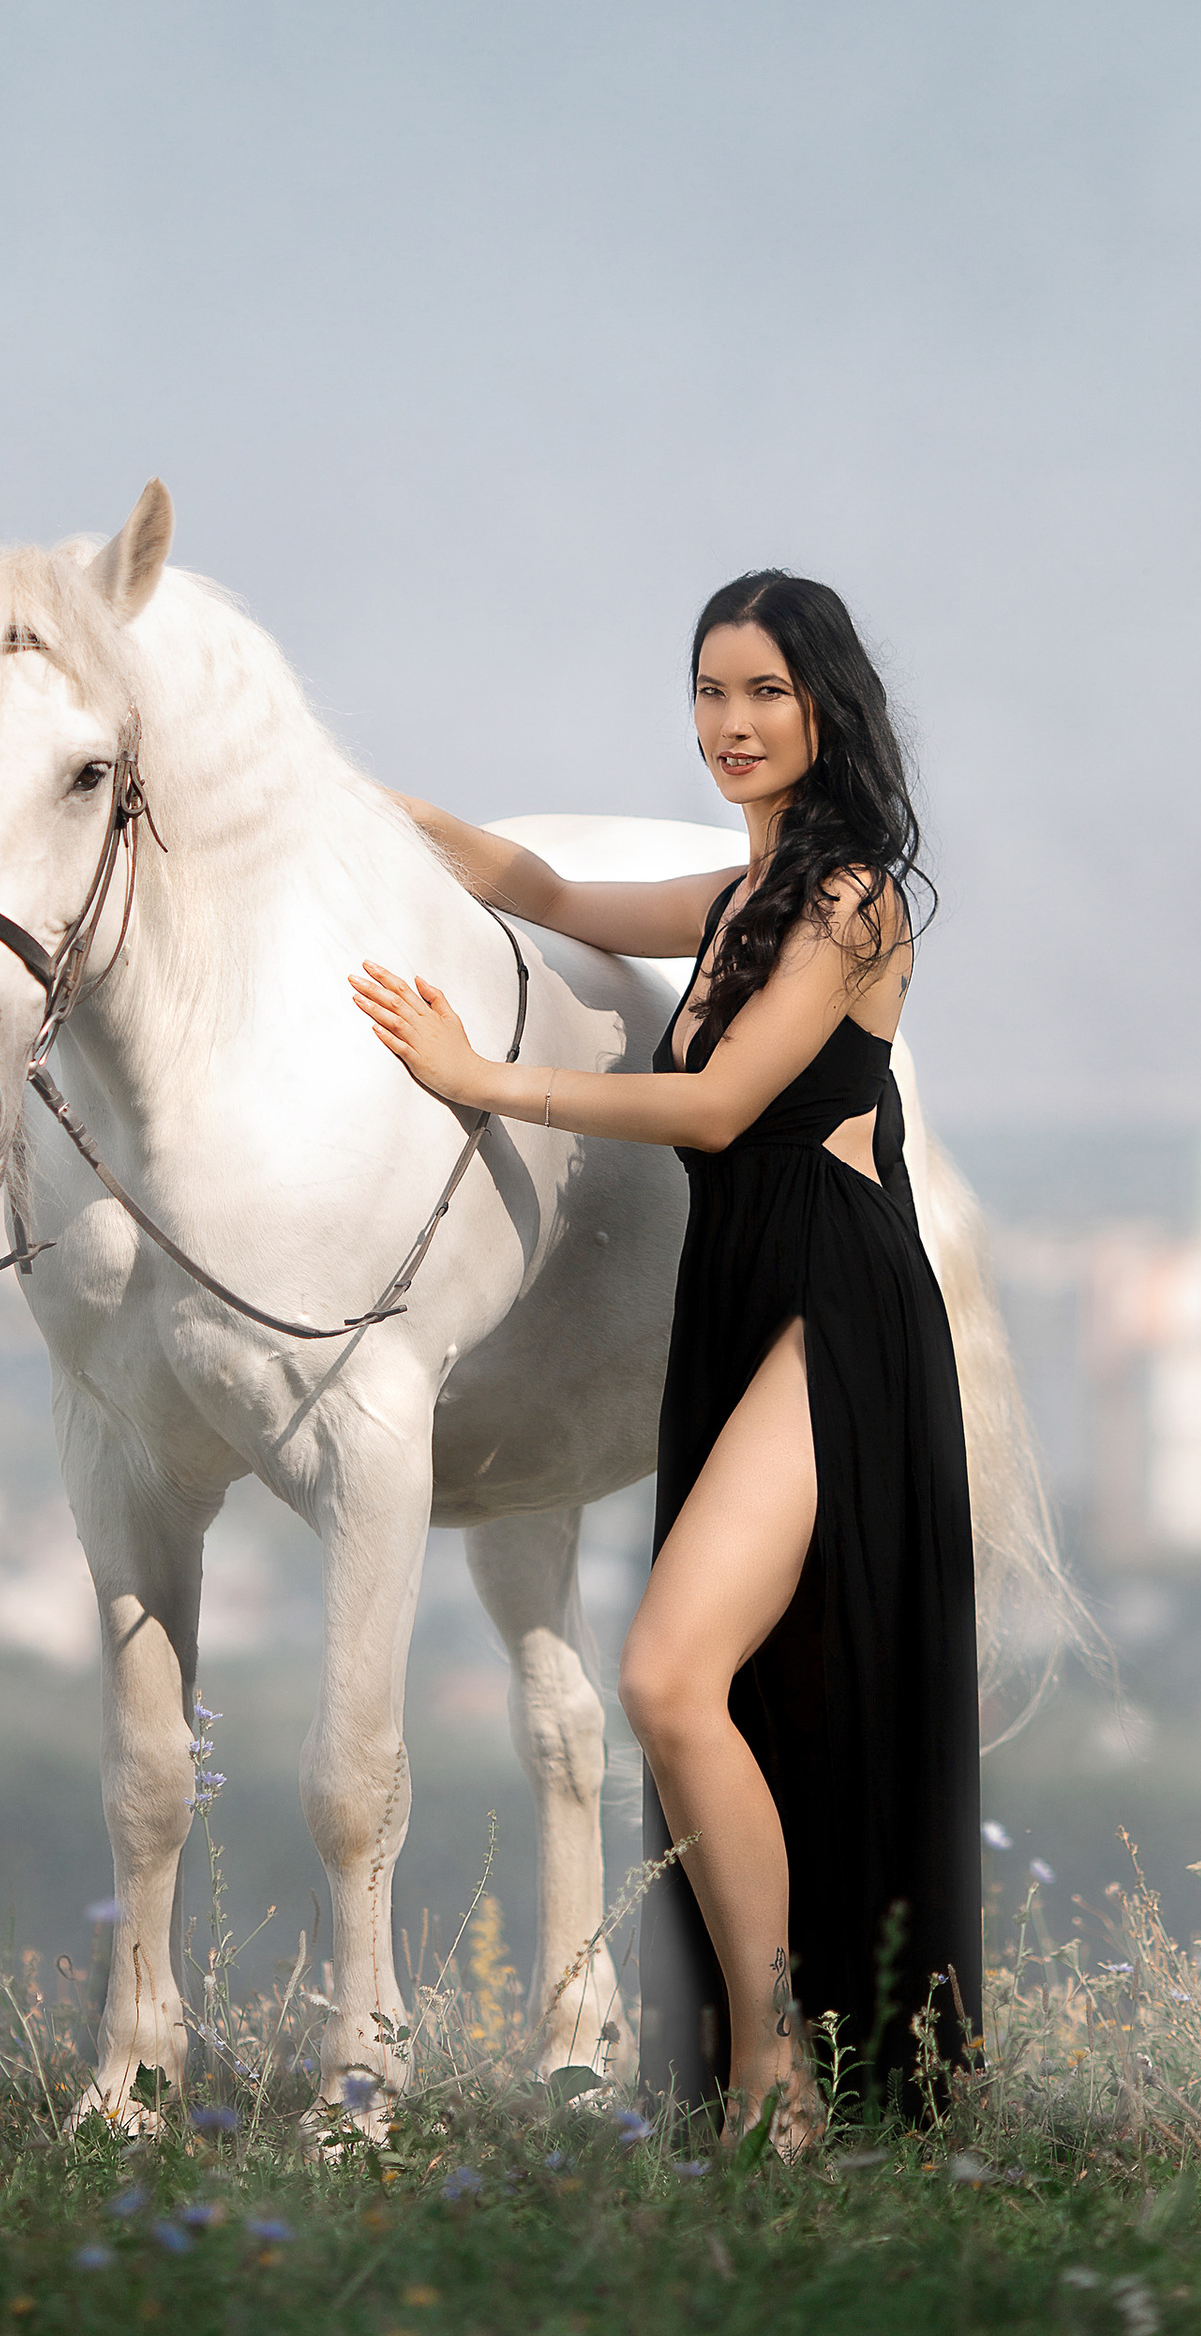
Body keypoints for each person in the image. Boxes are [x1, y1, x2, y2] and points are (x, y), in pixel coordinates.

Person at [352, 571, 980, 2148]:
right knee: (734, 1691)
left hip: (835, 1302)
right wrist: (367, 808)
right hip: (738, 1290)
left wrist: (479, 1079)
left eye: (765, 691)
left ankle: (777, 2077)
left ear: (826, 705)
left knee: (666, 1677)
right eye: (709, 692)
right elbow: (553, 894)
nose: (731, 723)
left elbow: (715, 1108)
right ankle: (786, 2085)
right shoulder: (734, 899)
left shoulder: (851, 903)